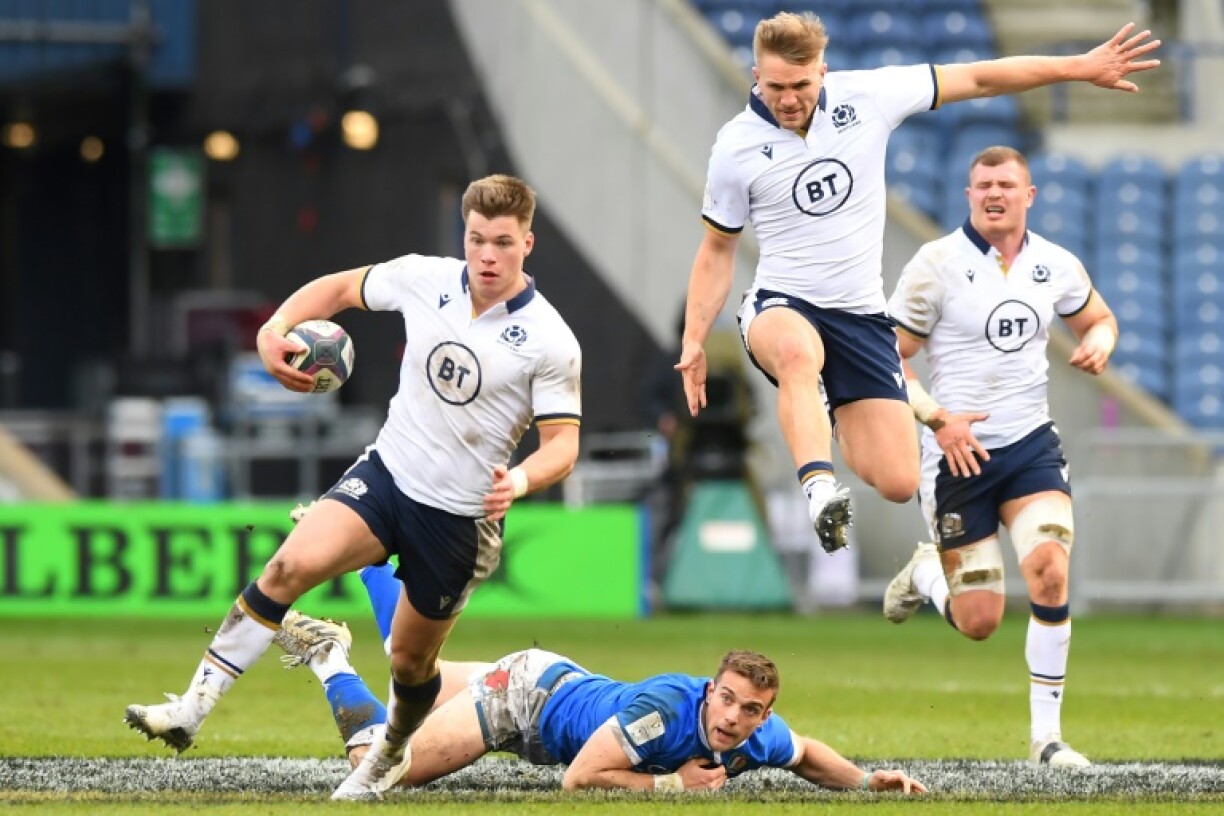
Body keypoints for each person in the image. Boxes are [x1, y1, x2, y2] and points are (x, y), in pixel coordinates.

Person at [124, 174, 584, 800]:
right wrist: (275, 327)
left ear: (527, 243)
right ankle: (192, 708)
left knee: (410, 665)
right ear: (464, 234)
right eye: (476, 239)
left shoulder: (551, 340)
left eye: (502, 243)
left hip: (459, 519)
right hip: (388, 474)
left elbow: (563, 444)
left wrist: (523, 478)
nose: (486, 255)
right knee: (287, 566)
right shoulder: (426, 277)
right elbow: (340, 288)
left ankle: (388, 754)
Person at [675, 12, 1160, 554]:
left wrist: (1077, 67)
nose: (789, 99)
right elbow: (718, 251)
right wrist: (694, 340)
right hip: (782, 304)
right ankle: (817, 488)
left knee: (899, 481)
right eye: (775, 87)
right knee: (795, 353)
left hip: (860, 318)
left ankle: (831, 409)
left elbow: (979, 77)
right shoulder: (735, 147)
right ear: (755, 77)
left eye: (801, 85)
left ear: (823, 71)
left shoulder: (869, 96)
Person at [271, 561, 927, 798]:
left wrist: (870, 780)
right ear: (709, 691)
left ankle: (376, 565)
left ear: (762, 715)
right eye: (725, 699)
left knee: (410, 672)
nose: (732, 716)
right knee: (379, 766)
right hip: (523, 701)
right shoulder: (668, 713)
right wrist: (672, 785)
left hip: (559, 677)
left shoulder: (758, 736)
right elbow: (580, 777)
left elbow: (808, 754)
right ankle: (329, 658)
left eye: (749, 709)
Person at [882, 146, 1119, 768]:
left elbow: (1099, 318)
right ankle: (925, 573)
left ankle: (1047, 739)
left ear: (1029, 195)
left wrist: (1099, 341)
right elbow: (888, 359)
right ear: (968, 196)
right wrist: (939, 418)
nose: (995, 193)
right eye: (983, 184)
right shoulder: (935, 266)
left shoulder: (1056, 264)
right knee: (980, 620)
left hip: (1031, 444)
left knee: (1049, 570)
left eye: (1006, 184)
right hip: (957, 455)